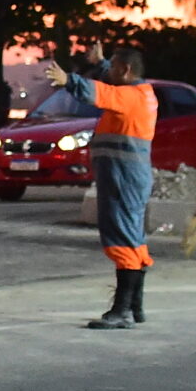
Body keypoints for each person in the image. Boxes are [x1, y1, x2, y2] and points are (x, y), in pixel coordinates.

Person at [50, 45, 156, 329]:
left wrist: (68, 80)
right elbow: (112, 83)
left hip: (123, 177)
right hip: (130, 176)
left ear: (126, 70)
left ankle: (121, 310)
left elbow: (102, 93)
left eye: (113, 68)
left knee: (121, 239)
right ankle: (134, 306)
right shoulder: (140, 92)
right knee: (133, 238)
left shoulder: (129, 96)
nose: (108, 72)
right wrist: (100, 63)